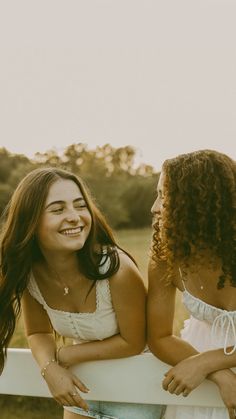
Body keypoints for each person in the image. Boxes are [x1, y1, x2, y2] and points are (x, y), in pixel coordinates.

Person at [0, 167, 164, 419]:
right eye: (57, 209)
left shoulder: (115, 268)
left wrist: (67, 354)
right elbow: (37, 332)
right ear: (29, 220)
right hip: (82, 387)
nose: (75, 217)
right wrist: (49, 368)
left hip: (134, 388)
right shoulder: (30, 273)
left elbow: (135, 341)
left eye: (80, 205)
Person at [147, 149, 236, 419]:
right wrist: (219, 375)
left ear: (199, 202)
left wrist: (210, 360)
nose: (154, 207)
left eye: (164, 196)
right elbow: (159, 337)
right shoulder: (166, 258)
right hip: (196, 368)